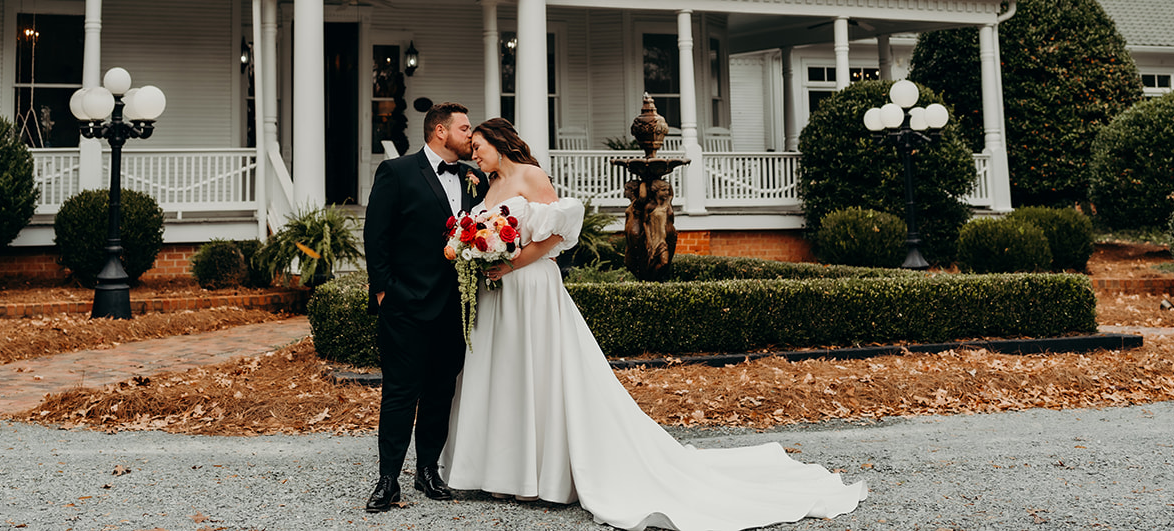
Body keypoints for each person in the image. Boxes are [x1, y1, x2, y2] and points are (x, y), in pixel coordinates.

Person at [441, 118, 867, 531]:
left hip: (531, 287)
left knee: (539, 375)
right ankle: (503, 473)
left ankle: (543, 476)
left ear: (499, 142)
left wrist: (512, 264)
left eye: (478, 146)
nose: (474, 154)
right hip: (498, 295)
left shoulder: (531, 176)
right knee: (506, 374)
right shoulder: (488, 185)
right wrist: (477, 253)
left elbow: (556, 235)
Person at [361, 101, 483, 513]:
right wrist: (385, 293)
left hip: (454, 307)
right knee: (400, 393)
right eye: (465, 128)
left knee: (440, 391)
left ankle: (428, 470)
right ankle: (388, 479)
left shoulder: (474, 178)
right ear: (440, 131)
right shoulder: (396, 172)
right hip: (405, 306)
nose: (471, 134)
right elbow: (376, 235)